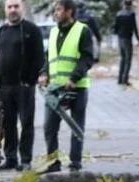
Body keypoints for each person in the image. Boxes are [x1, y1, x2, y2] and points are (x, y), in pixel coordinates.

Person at [38, 0, 94, 173]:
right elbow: (49, 58)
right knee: (49, 127)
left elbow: (86, 58)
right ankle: (53, 163)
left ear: (69, 11)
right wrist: (44, 73)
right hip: (54, 89)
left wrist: (74, 78)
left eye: (59, 9)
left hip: (76, 87)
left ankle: (75, 162)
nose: (56, 12)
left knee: (76, 127)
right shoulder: (54, 32)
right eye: (55, 9)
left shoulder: (82, 31)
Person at [0, 0, 45, 171]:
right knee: (8, 124)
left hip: (24, 86)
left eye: (16, 6)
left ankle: (26, 160)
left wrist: (31, 80)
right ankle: (11, 158)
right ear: (5, 9)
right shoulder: (0, 32)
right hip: (4, 87)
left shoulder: (31, 30)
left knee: (26, 123)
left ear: (22, 8)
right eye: (9, 7)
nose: (13, 10)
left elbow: (39, 57)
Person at [114, 0, 139, 85]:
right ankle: (125, 79)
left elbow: (115, 28)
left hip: (120, 38)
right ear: (130, 5)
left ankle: (119, 79)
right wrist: (138, 39)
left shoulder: (118, 14)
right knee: (128, 59)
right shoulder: (131, 14)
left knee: (122, 58)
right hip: (127, 39)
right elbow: (134, 27)